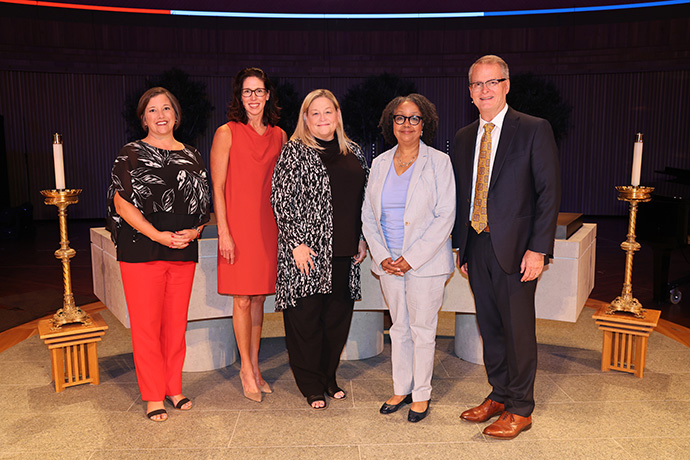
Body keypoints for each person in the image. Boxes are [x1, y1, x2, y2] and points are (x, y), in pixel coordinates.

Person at [451, 55, 561, 439]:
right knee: (491, 328)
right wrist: (461, 248)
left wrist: (539, 248)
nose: (485, 90)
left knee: (517, 330)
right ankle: (499, 394)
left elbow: (548, 193)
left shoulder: (532, 129)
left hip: (517, 250)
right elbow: (464, 194)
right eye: (477, 85)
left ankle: (521, 408)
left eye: (492, 82)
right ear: (469, 92)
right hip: (476, 246)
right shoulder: (464, 137)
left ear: (507, 85)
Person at [106, 87, 211, 421]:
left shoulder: (193, 155)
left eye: (167, 108)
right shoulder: (131, 153)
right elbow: (121, 202)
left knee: (175, 325)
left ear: (176, 115)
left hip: (182, 248)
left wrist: (195, 232)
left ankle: (173, 387)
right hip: (142, 248)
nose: (161, 115)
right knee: (147, 326)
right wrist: (158, 236)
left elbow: (203, 207)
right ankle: (153, 394)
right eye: (153, 110)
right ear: (143, 118)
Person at [271, 89, 368, 410]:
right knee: (306, 322)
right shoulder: (293, 152)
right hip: (306, 253)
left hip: (345, 252)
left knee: (337, 322)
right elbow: (280, 200)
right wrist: (295, 242)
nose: (323, 118)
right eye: (315, 113)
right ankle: (311, 385)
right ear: (306, 118)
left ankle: (329, 377)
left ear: (338, 115)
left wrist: (363, 238)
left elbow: (365, 202)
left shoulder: (354, 152)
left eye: (328, 111)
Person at [361, 94, 455, 423]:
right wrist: (385, 255)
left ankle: (422, 393)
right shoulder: (380, 162)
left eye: (414, 118)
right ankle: (401, 388)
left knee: (423, 329)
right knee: (398, 327)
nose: (407, 124)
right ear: (391, 123)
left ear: (424, 123)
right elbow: (368, 216)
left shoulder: (439, 162)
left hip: (425, 264)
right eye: (400, 118)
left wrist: (410, 258)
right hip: (388, 263)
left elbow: (446, 216)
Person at [210, 67, 287, 403]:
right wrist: (224, 232)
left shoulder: (280, 135)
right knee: (241, 298)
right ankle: (245, 369)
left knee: (259, 299)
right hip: (238, 227)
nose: (253, 97)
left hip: (268, 227)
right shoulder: (227, 132)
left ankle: (256, 367)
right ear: (239, 97)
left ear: (268, 94)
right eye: (247, 91)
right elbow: (218, 186)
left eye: (259, 91)